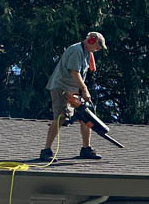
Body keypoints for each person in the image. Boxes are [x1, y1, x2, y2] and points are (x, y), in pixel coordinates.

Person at [42, 32, 106, 160]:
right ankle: (46, 150)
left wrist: (81, 91)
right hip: (61, 87)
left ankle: (86, 149)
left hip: (73, 90)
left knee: (86, 116)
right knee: (61, 117)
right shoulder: (76, 50)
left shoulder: (87, 54)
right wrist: (84, 89)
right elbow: (74, 72)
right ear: (91, 41)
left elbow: (82, 74)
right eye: (98, 46)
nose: (98, 49)